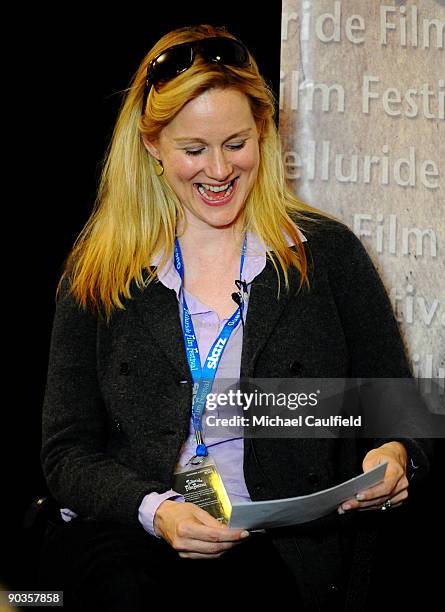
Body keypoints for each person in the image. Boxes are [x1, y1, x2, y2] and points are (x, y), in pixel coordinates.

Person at [38, 24, 431, 611]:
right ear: (152, 145)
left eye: (236, 142)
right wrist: (158, 511)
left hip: (282, 553)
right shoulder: (100, 270)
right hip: (132, 541)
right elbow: (65, 452)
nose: (219, 170)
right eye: (193, 150)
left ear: (265, 132)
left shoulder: (328, 255)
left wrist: (394, 455)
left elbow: (401, 409)